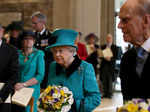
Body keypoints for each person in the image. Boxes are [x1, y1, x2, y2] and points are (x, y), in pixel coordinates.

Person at [46, 29, 101, 112]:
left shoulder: (85, 68)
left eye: (60, 51)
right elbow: (49, 90)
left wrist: (72, 104)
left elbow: (95, 99)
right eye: (54, 51)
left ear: (72, 51)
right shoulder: (53, 66)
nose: (57, 54)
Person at [118, 0, 150, 102]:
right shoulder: (126, 58)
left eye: (125, 20)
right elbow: (127, 102)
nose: (119, 26)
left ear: (145, 21)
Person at [14, 30, 45, 112]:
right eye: (26, 39)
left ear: (34, 41)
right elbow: (13, 71)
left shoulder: (39, 54)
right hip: (17, 88)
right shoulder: (17, 53)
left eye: (31, 39)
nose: (28, 41)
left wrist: (24, 84)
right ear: (22, 41)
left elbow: (40, 76)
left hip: (32, 89)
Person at [31, 11, 53, 89]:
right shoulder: (31, 36)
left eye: (35, 23)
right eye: (32, 23)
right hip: (33, 68)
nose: (33, 25)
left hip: (45, 68)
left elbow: (51, 55)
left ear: (42, 22)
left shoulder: (50, 36)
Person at [0, 24, 19, 112]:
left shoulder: (12, 50)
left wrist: (2, 95)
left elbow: (14, 75)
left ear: (2, 32)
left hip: (3, 95)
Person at [99, 34, 119, 98]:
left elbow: (116, 57)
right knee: (104, 79)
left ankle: (109, 94)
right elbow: (100, 55)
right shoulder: (103, 46)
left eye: (110, 38)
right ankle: (105, 93)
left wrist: (110, 59)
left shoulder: (115, 47)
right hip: (104, 65)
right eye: (107, 38)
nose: (108, 39)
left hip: (111, 65)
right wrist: (103, 57)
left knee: (110, 79)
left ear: (112, 39)